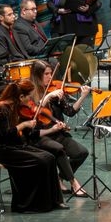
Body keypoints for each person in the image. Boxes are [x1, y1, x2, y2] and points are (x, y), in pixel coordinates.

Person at [0, 81, 65, 213]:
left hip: (16, 147)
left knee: (50, 157)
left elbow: (30, 134)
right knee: (41, 160)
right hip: (1, 150)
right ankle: (33, 204)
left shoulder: (17, 107)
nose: (30, 100)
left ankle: (54, 201)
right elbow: (6, 134)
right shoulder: (2, 108)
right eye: (29, 96)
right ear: (21, 97)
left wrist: (51, 129)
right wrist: (24, 125)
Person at [27, 60, 91, 198]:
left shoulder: (55, 91)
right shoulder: (29, 91)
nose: (50, 77)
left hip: (58, 132)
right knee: (59, 149)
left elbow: (70, 112)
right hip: (41, 135)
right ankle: (74, 183)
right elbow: (34, 112)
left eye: (51, 73)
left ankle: (59, 178)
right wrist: (48, 96)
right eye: (46, 74)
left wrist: (82, 97)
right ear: (37, 75)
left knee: (82, 152)